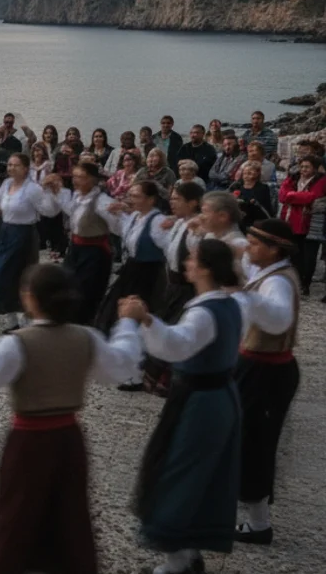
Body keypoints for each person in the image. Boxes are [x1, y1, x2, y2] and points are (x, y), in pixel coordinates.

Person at [0, 264, 142, 574]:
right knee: (69, 518)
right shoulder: (86, 338)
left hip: (29, 444)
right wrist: (128, 323)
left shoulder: (19, 343)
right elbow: (120, 365)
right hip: (69, 441)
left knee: (17, 519)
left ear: (31, 299)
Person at [121, 239, 244, 574]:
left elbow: (177, 346)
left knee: (180, 474)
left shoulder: (204, 312)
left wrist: (145, 319)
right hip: (219, 396)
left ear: (205, 268)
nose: (187, 262)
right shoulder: (231, 303)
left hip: (201, 402)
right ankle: (188, 552)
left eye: (192, 258)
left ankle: (176, 563)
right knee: (201, 475)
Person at [234, 219, 301, 544]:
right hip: (254, 365)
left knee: (256, 444)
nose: (248, 248)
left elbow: (277, 321)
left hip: (267, 372)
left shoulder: (278, 282)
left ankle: (259, 524)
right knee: (244, 439)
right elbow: (240, 257)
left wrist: (243, 296)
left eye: (255, 244)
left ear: (274, 249)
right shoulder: (265, 270)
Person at [0, 153, 61, 330]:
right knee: (1, 276)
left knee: (20, 278)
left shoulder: (32, 189)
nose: (11, 168)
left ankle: (28, 320)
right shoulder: (7, 184)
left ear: (26, 168)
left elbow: (48, 210)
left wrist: (52, 192)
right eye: (10, 165)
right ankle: (12, 322)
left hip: (23, 236)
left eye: (16, 165)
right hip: (6, 234)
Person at [146, 183, 206, 397]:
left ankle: (171, 378)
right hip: (172, 285)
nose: (172, 203)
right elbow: (168, 250)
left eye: (177, 199)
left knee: (176, 330)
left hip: (186, 289)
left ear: (193, 203)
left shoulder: (196, 230)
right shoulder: (179, 223)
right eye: (171, 199)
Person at [94, 181, 168, 340]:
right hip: (131, 268)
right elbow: (123, 233)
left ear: (150, 199)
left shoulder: (158, 221)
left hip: (149, 273)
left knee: (141, 309)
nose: (131, 199)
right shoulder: (135, 216)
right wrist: (117, 213)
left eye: (136, 196)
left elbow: (168, 247)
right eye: (131, 195)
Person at [277, 156, 326, 293]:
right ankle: (296, 280)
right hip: (292, 221)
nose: (303, 169)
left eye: (307, 167)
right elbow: (282, 195)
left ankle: (306, 283)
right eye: (302, 166)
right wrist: (298, 196)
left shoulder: (321, 180)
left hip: (311, 223)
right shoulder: (293, 178)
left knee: (309, 255)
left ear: (315, 168)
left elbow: (313, 197)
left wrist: (292, 196)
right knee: (295, 254)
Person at [229, 162, 274, 232]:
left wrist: (246, 203)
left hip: (254, 220)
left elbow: (261, 207)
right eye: (244, 173)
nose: (246, 176)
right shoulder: (237, 186)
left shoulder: (262, 188)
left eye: (249, 173)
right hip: (237, 218)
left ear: (257, 174)